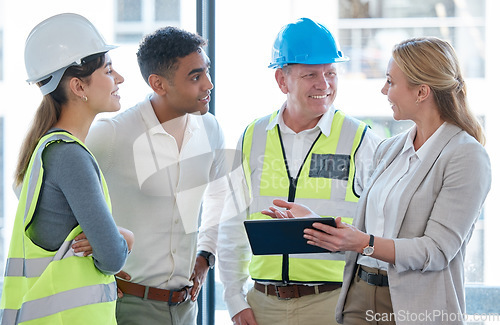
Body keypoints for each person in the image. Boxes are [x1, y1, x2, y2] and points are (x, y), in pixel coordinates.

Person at [264, 37, 491, 325]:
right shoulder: (390, 148)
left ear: (421, 91)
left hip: (414, 307)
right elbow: (369, 233)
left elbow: (436, 251)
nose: (384, 90)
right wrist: (317, 223)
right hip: (359, 296)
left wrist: (363, 243)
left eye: (390, 82)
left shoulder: (465, 156)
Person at [217, 17, 381, 325]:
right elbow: (231, 223)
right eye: (310, 74)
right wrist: (235, 300)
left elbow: (381, 230)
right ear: (282, 80)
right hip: (262, 304)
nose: (324, 84)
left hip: (333, 304)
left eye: (331, 72)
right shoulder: (253, 136)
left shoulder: (361, 140)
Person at [85, 26, 228, 325]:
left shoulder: (211, 129)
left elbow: (218, 194)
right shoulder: (112, 135)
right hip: (126, 305)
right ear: (158, 84)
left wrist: (206, 255)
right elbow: (34, 186)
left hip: (186, 305)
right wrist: (87, 239)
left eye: (207, 72)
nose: (209, 84)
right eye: (195, 77)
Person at [0, 13, 134, 325]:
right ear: (78, 86)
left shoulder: (47, 149)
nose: (120, 79)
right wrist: (125, 236)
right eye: (109, 70)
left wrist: (110, 239)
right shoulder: (69, 156)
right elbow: (113, 257)